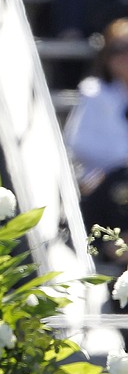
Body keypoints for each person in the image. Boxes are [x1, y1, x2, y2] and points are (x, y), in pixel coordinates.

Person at [64, 17, 128, 258]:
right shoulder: (94, 92)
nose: (124, 56)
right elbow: (77, 142)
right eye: (117, 50)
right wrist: (123, 159)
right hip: (104, 184)